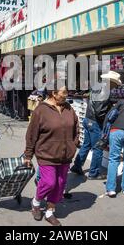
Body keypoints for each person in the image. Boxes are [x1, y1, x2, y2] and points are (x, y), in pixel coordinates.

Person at [24, 85, 80, 227]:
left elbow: (76, 127)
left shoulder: (68, 108)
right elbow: (31, 134)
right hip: (46, 154)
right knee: (50, 182)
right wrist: (28, 155)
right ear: (54, 93)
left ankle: (50, 212)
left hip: (65, 155)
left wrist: (74, 144)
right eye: (64, 92)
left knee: (60, 184)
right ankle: (36, 202)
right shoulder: (41, 110)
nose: (66, 95)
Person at [71, 71, 121, 180]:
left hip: (88, 119)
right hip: (95, 122)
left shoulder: (97, 87)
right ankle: (94, 173)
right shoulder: (105, 91)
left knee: (86, 145)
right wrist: (108, 116)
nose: (115, 87)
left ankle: (77, 165)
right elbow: (100, 112)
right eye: (115, 84)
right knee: (98, 147)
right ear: (111, 82)